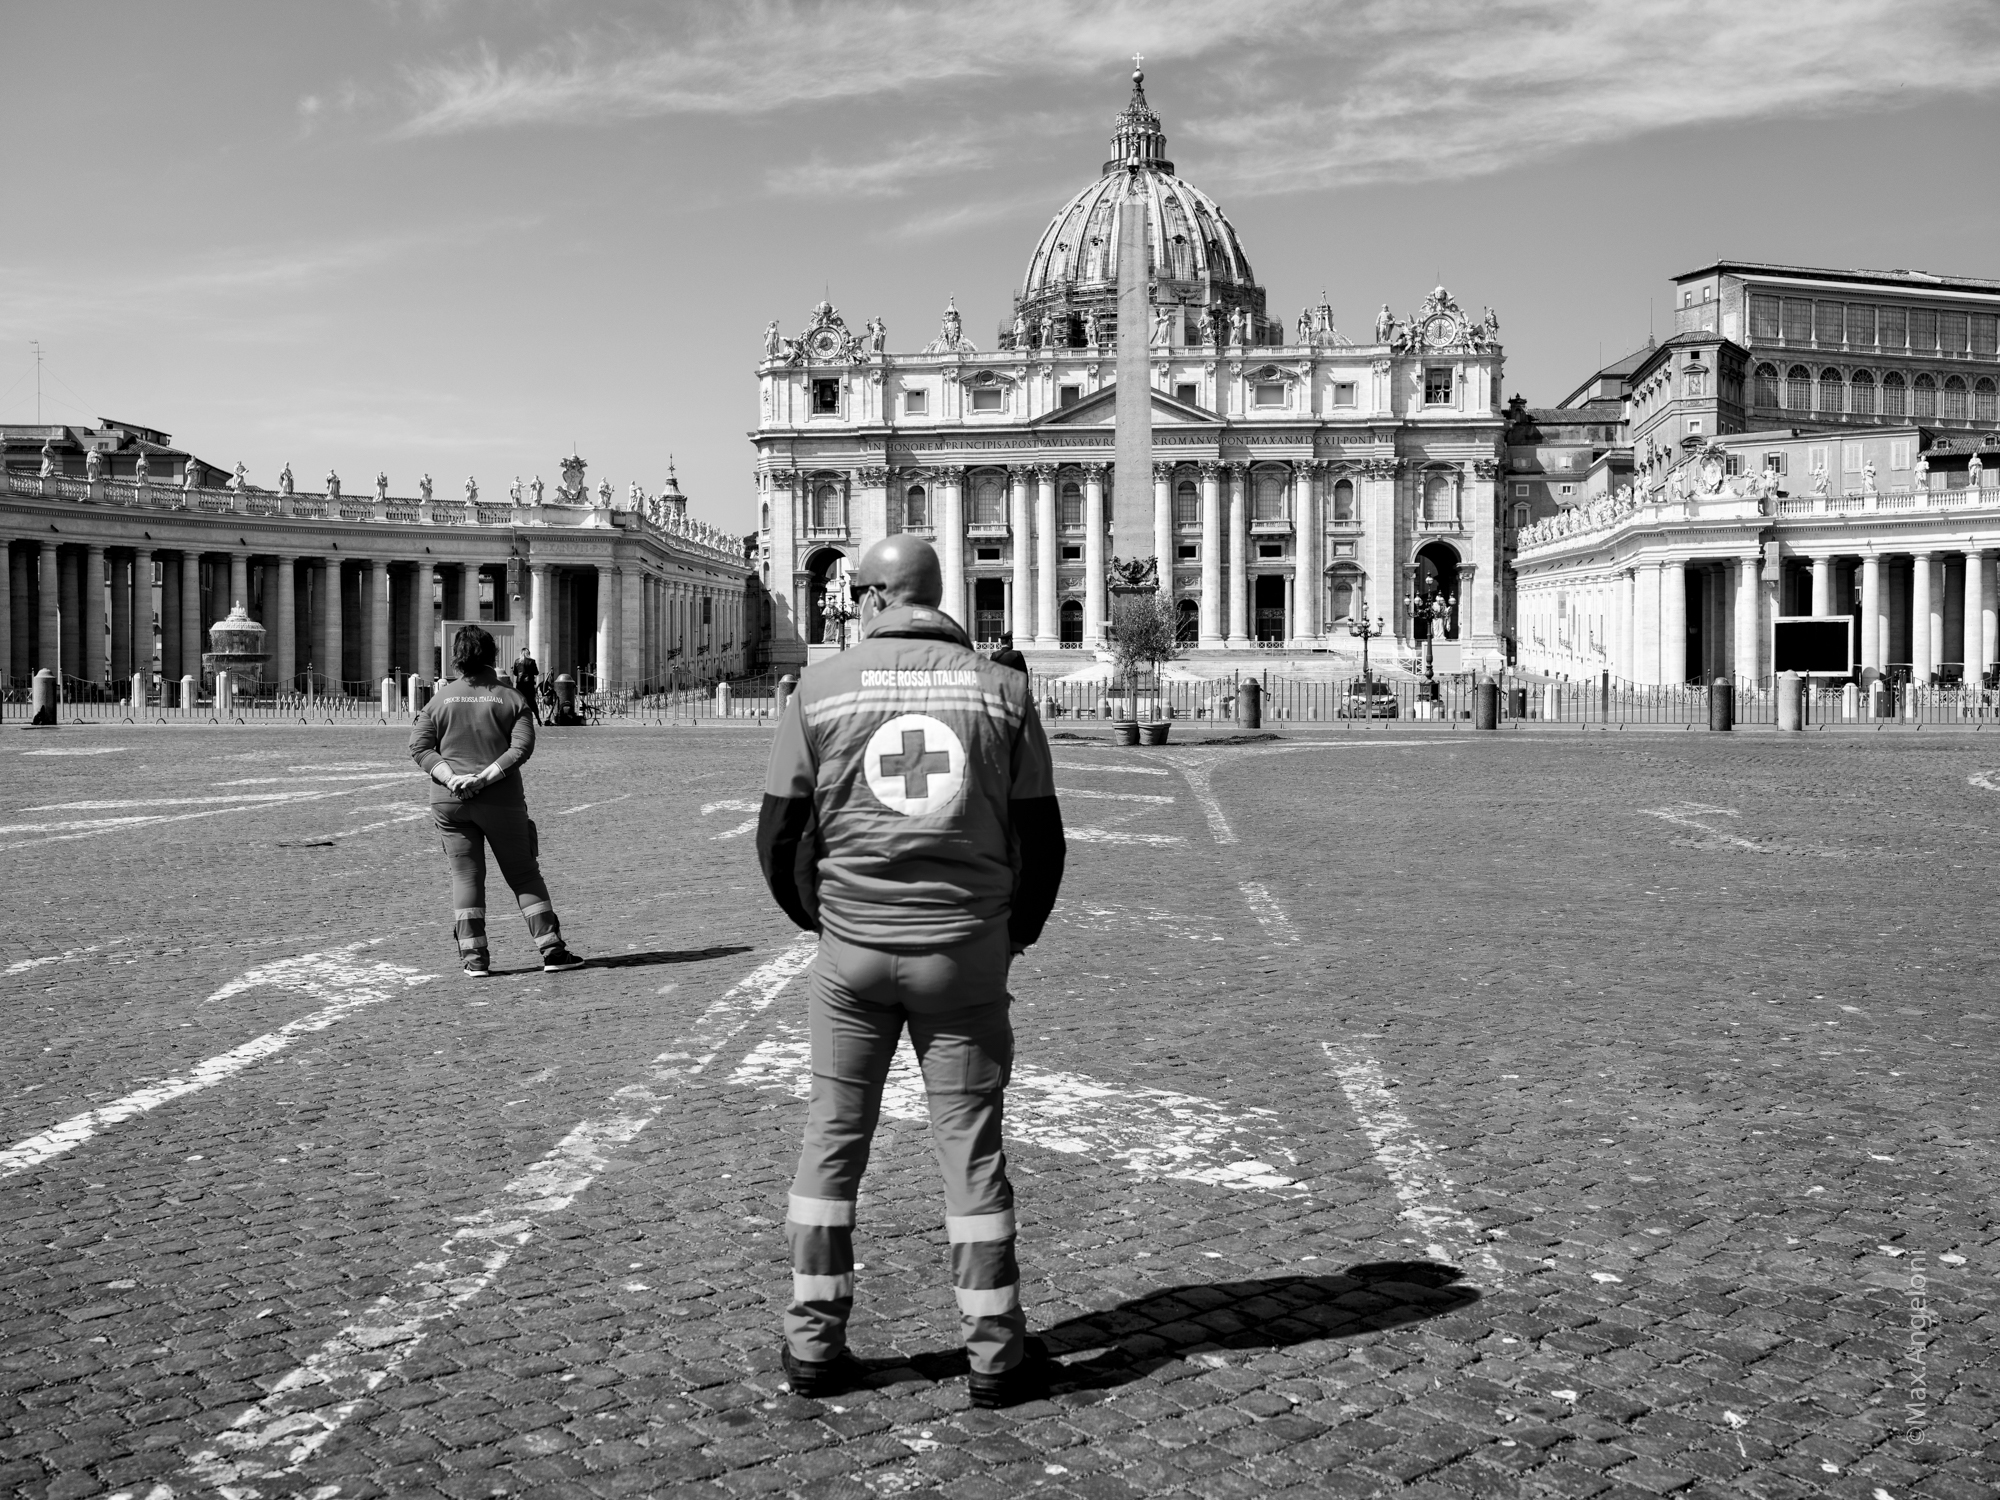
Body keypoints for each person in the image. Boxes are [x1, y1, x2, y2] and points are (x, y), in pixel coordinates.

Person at [757, 535, 1065, 1408]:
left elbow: (779, 838)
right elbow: (1042, 841)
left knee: (832, 1140)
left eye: (855, 593)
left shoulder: (819, 690)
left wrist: (825, 921)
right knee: (972, 1150)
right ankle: (995, 1353)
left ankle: (814, 1345)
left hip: (852, 956)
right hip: (964, 954)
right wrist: (1011, 935)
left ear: (875, 596)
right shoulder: (1003, 692)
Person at [410, 624, 583, 978]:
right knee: (524, 875)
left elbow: (419, 747)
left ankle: (474, 959)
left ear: (456, 659)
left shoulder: (439, 700)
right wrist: (484, 778)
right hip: (500, 799)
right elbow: (521, 748)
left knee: (465, 877)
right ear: (493, 655)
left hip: (450, 801)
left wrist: (452, 778)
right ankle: (551, 949)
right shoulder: (512, 698)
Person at [511, 647, 543, 724]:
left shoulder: (517, 661)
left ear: (521, 653)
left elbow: (515, 673)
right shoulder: (532, 661)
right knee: (532, 701)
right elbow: (536, 672)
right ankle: (538, 719)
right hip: (529, 685)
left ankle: (517, 719)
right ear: (528, 653)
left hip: (520, 685)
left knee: (520, 701)